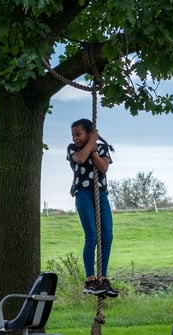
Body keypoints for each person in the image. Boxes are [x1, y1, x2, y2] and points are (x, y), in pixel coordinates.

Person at [67, 118, 118, 297]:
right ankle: (90, 280)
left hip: (100, 194)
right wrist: (90, 143)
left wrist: (94, 149)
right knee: (92, 236)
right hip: (83, 194)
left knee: (107, 236)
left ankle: (102, 278)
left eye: (78, 134)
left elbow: (103, 168)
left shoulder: (101, 149)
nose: (75, 138)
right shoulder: (73, 149)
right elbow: (81, 159)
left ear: (88, 132)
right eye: (73, 135)